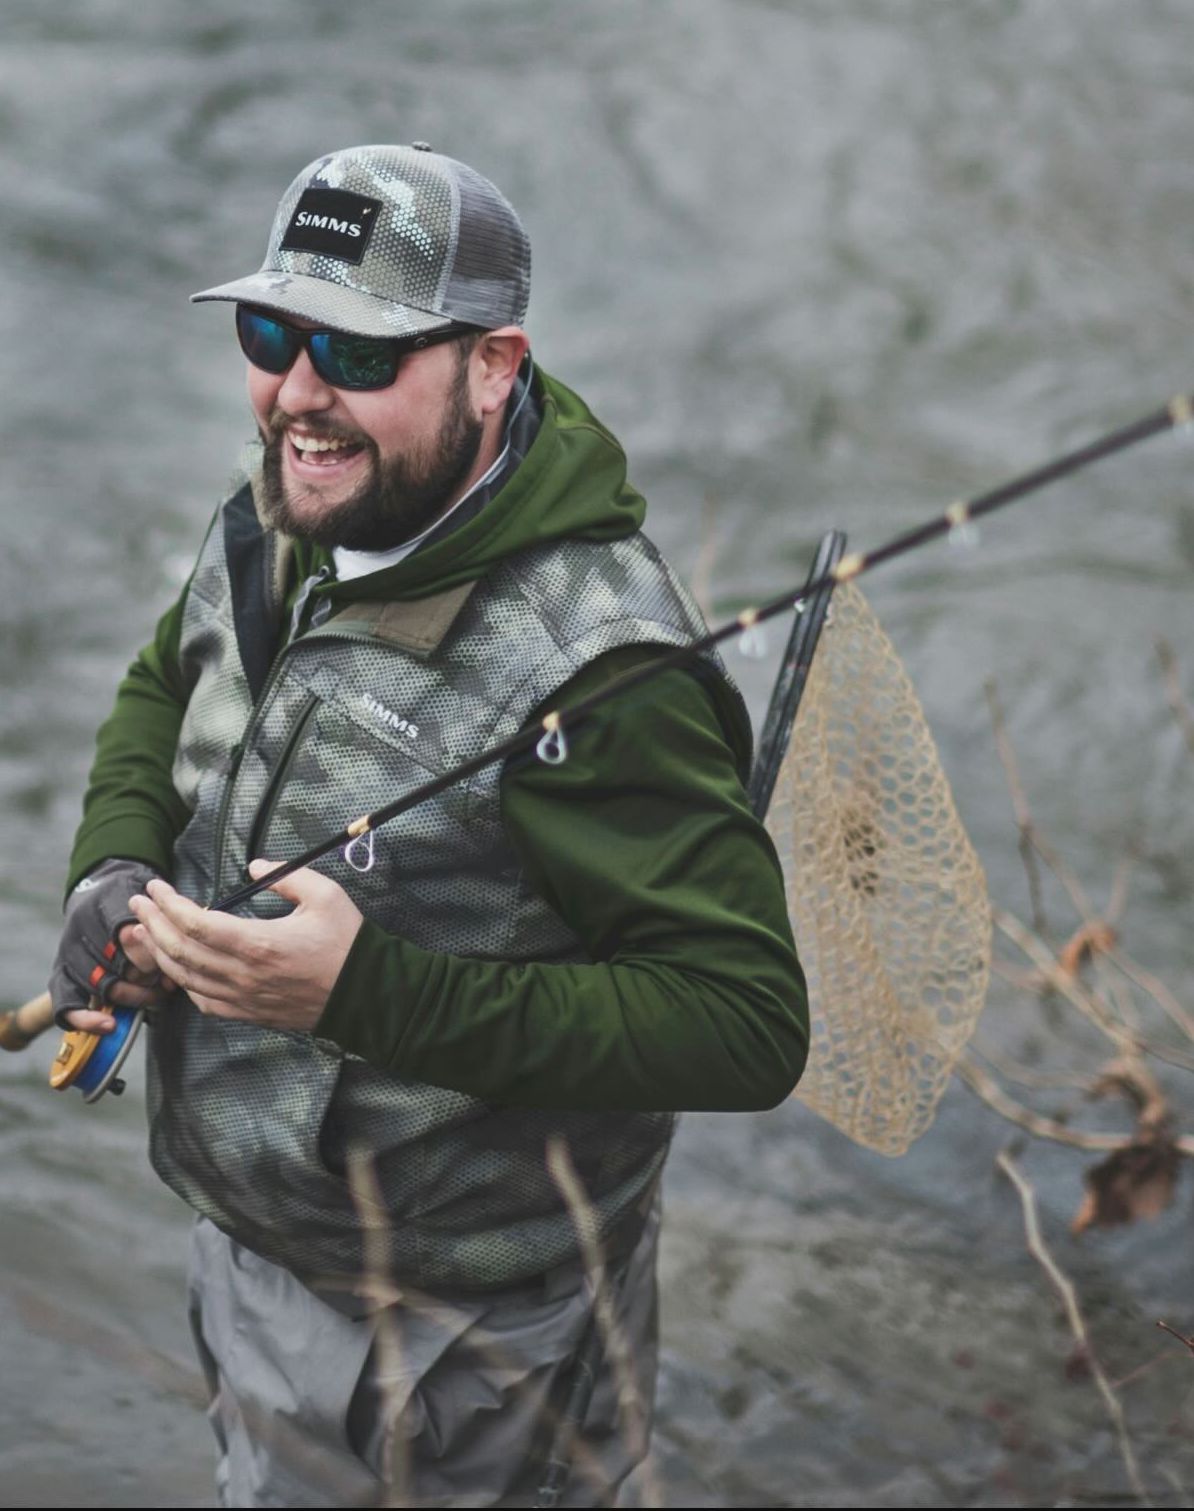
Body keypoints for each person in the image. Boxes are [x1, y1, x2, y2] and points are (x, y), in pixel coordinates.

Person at [50, 142, 808, 1506]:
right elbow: (168, 680)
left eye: (354, 351)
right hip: (261, 1239)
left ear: (494, 366)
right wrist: (111, 866)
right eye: (270, 332)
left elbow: (745, 1022)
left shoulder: (604, 676)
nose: (296, 393)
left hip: (466, 1340)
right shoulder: (299, 492)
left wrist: (368, 990)